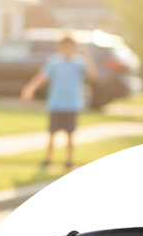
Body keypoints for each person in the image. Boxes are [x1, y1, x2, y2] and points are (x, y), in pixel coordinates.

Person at [20, 34, 97, 171]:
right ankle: (48, 159)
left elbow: (92, 74)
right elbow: (42, 77)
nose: (66, 49)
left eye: (69, 47)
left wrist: (86, 54)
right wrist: (30, 88)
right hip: (56, 103)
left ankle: (69, 161)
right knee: (52, 133)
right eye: (63, 47)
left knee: (70, 135)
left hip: (72, 104)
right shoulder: (55, 63)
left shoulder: (78, 63)